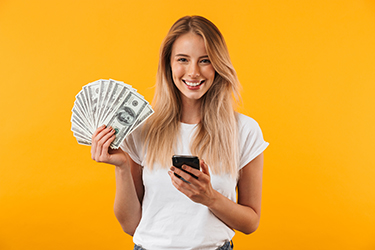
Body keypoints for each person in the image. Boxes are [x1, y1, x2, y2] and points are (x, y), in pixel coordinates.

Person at [90, 15, 269, 250]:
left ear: (218, 65)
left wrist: (209, 197)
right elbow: (131, 225)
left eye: (205, 60)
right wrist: (122, 166)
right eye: (183, 59)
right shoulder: (142, 128)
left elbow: (250, 222)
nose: (193, 72)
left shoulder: (244, 130)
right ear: (169, 65)